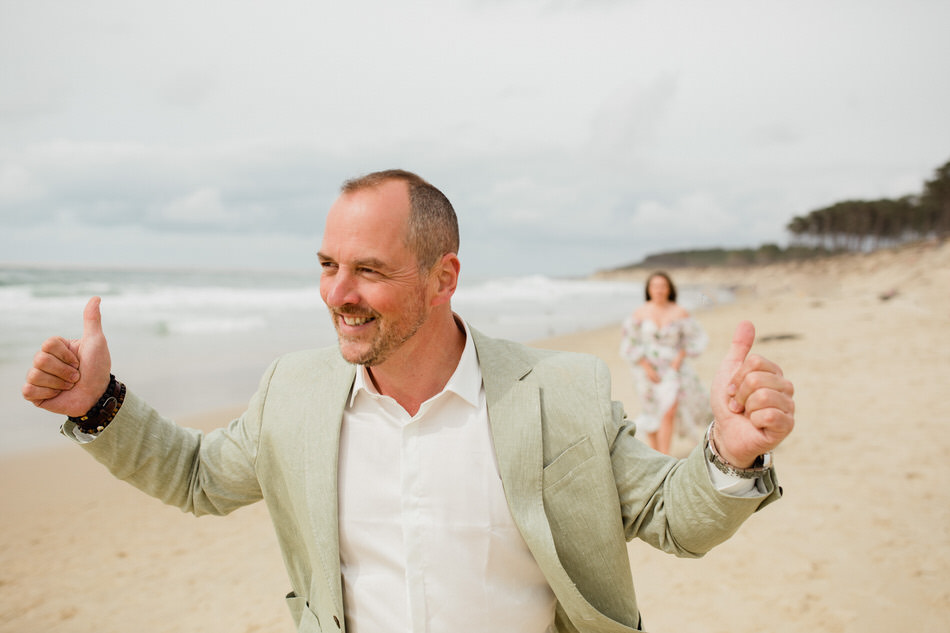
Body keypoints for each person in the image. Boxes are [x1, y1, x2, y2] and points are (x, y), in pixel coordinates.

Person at [23, 169, 795, 633]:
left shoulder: (562, 392)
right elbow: (195, 475)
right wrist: (101, 404)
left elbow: (669, 516)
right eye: (327, 264)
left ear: (442, 277)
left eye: (367, 269)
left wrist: (729, 453)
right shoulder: (293, 392)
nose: (337, 293)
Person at [620, 271, 711, 455]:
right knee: (651, 412)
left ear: (669, 289)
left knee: (669, 411)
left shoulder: (679, 311)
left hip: (673, 368)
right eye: (655, 286)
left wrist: (679, 358)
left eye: (663, 286)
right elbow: (630, 342)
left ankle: (665, 455)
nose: (659, 290)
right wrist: (645, 367)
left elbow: (694, 338)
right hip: (645, 370)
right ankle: (656, 456)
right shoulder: (640, 312)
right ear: (649, 289)